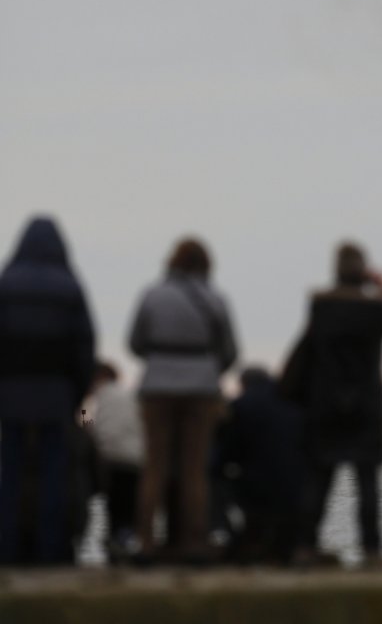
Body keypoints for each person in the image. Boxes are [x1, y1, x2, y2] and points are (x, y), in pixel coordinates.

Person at [280, 242, 382, 568]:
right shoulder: (374, 310)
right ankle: (372, 550)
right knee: (367, 483)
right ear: (363, 273)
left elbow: (305, 354)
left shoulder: (321, 308)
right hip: (366, 406)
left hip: (325, 404)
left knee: (319, 480)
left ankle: (305, 545)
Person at [128, 238, 238, 563]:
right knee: (194, 468)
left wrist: (161, 359)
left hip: (157, 386)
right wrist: (207, 368)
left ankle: (146, 539)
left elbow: (135, 342)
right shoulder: (215, 299)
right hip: (201, 388)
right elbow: (230, 350)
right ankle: (194, 540)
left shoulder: (152, 295)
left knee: (155, 466)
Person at [0, 216, 95, 565]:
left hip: (9, 395)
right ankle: (51, 550)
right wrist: (79, 395)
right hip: (56, 396)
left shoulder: (5, 284)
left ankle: (6, 548)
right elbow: (83, 346)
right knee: (55, 476)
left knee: (8, 475)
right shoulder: (70, 287)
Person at [215, 367, 302, 564]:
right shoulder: (294, 404)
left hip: (256, 485)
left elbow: (227, 453)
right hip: (296, 485)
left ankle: (232, 537)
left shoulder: (241, 405)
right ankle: (281, 545)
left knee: (213, 483)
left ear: (243, 384)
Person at [89, 361, 144, 561]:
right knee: (128, 508)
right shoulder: (126, 394)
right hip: (138, 459)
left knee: (115, 506)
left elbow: (99, 431)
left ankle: (116, 543)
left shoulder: (104, 396)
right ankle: (125, 540)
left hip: (113, 460)